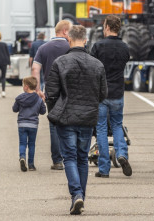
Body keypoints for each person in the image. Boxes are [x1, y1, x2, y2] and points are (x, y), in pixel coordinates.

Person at [45, 25, 107, 215]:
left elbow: (51, 93)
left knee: (69, 157)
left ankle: (76, 194)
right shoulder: (97, 64)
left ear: (69, 40)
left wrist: (55, 112)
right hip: (87, 117)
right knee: (82, 158)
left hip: (67, 117)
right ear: (86, 40)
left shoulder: (60, 62)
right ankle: (80, 197)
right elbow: (103, 94)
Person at [90, 15, 131, 178]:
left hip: (101, 93)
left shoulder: (98, 46)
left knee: (100, 129)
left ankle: (104, 168)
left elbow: (92, 67)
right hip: (118, 93)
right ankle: (122, 154)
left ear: (107, 27)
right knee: (117, 125)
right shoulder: (124, 47)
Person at [31, 20, 72, 170]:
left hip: (51, 90)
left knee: (54, 124)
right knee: (70, 123)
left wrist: (37, 89)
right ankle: (70, 158)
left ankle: (57, 161)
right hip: (70, 90)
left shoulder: (43, 48)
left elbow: (35, 69)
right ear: (65, 31)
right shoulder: (71, 47)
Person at [12, 76, 47, 172]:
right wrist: (43, 102)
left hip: (22, 124)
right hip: (33, 125)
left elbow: (14, 109)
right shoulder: (38, 99)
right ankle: (31, 164)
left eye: (23, 85)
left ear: (26, 87)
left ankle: (22, 157)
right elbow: (43, 112)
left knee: (22, 143)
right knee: (31, 144)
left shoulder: (20, 98)